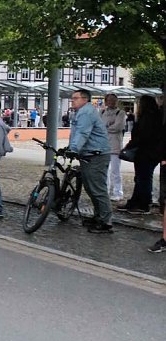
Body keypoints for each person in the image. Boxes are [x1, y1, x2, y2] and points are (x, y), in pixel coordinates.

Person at [66, 89, 113, 233]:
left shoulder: (86, 112)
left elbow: (83, 133)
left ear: (85, 99)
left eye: (75, 98)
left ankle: (105, 222)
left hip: (96, 154)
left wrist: (73, 149)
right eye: (72, 98)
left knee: (97, 188)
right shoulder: (82, 112)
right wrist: (70, 147)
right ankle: (98, 216)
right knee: (91, 187)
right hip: (90, 154)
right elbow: (77, 133)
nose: (72, 100)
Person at [117, 95, 162, 215]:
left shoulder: (148, 117)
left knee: (143, 178)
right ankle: (136, 202)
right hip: (148, 152)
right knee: (141, 178)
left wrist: (129, 145)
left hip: (146, 152)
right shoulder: (154, 115)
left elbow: (143, 136)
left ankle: (143, 204)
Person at [99, 94, 127, 202]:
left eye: (113, 100)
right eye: (109, 100)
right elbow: (99, 126)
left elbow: (118, 127)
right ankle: (105, 190)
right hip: (103, 146)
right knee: (104, 171)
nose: (111, 102)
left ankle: (118, 192)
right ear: (106, 101)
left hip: (115, 145)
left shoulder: (121, 113)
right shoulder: (102, 112)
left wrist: (106, 127)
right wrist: (108, 126)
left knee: (115, 171)